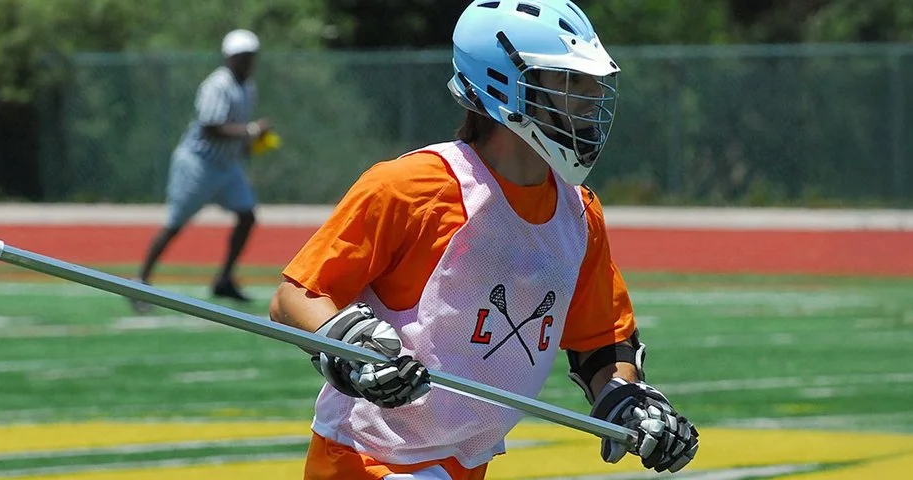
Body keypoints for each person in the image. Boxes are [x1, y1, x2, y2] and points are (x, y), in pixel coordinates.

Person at [268, 2, 699, 479]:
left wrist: (629, 402)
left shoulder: (579, 214)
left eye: (592, 83)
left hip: (468, 463)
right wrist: (351, 349)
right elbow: (298, 296)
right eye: (569, 81)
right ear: (504, 85)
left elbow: (601, 343)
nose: (589, 97)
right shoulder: (413, 186)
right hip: (367, 458)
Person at [134, 29, 271, 312]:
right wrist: (252, 131)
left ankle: (224, 278)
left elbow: (234, 130)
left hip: (226, 165)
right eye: (241, 57)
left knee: (247, 216)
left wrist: (251, 144)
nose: (246, 62)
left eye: (249, 57)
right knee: (174, 224)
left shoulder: (248, 87)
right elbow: (211, 126)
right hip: (199, 163)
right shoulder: (217, 85)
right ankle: (140, 281)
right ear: (229, 58)